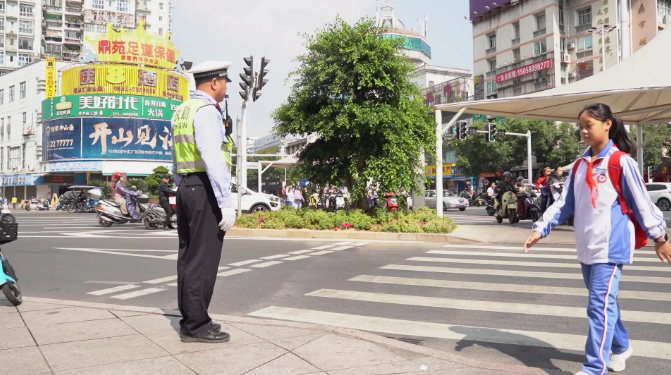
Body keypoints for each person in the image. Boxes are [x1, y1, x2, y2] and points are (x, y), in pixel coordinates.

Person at [524, 103, 671, 375]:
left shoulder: (620, 162)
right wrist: (541, 228)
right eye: (580, 126)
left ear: (607, 125)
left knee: (597, 306)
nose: (583, 131)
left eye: (588, 125)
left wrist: (659, 237)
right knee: (603, 304)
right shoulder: (580, 165)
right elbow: (564, 203)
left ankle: (594, 367)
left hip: (612, 245)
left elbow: (642, 203)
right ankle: (622, 346)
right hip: (587, 245)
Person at [171, 61, 236, 344]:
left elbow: (175, 157)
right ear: (214, 83)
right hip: (204, 188)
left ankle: (191, 319)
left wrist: (180, 187)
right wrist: (226, 202)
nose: (224, 88)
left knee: (188, 257)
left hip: (187, 186)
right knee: (203, 258)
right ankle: (197, 325)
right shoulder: (208, 111)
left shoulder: (182, 110)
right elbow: (212, 158)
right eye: (224, 82)